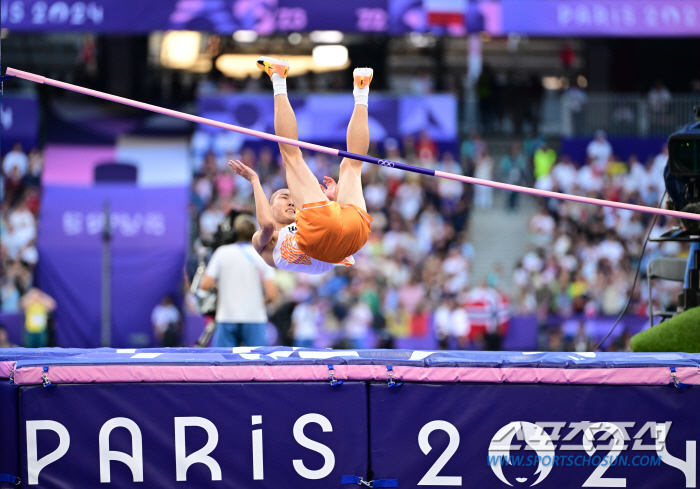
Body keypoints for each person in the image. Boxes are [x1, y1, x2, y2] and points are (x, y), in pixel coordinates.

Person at [229, 57, 373, 275]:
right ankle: (278, 77)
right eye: (283, 197)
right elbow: (268, 225)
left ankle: (362, 90)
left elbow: (329, 227)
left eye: (289, 196)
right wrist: (255, 181)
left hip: (345, 235)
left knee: (351, 164)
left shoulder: (278, 232)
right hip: (348, 238)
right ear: (270, 207)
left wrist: (334, 201)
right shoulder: (268, 240)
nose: (290, 200)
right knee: (294, 157)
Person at [200, 214, 278, 347]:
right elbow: (272, 295)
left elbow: (205, 284)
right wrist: (257, 304)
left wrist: (221, 287)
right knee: (257, 363)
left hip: (227, 315)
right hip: (254, 317)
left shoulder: (222, 253)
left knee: (223, 363)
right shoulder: (262, 255)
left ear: (234, 232)